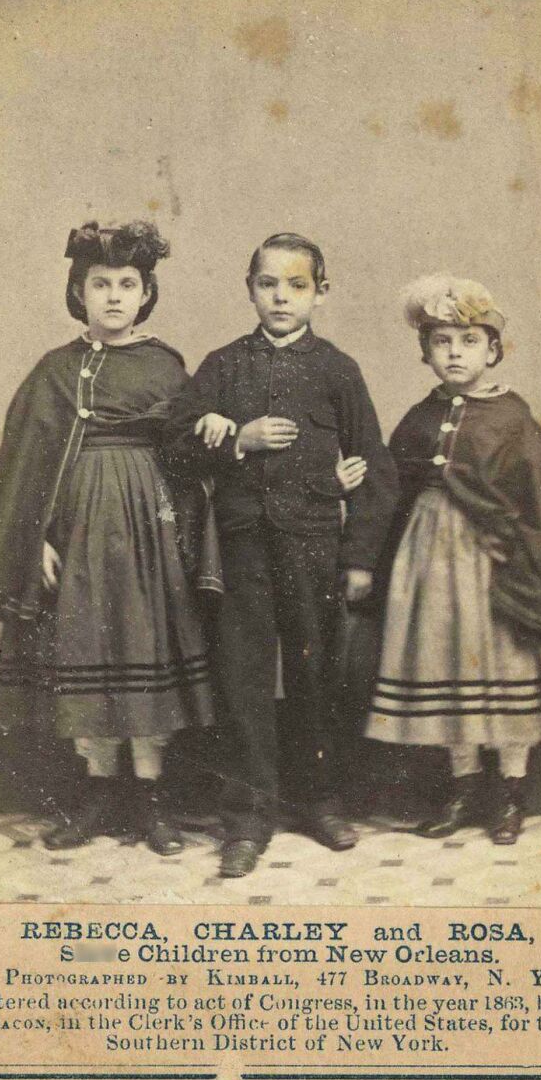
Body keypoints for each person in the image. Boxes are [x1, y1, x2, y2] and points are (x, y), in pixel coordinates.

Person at [0, 220, 228, 855]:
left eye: (127, 284)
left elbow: (186, 453)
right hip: (77, 533)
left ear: (146, 293)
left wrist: (212, 429)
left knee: (143, 649)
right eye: (100, 283)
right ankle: (95, 797)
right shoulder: (54, 371)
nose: (114, 296)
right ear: (78, 292)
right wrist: (34, 540)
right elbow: (25, 465)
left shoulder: (166, 367)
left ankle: (150, 802)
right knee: (86, 650)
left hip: (147, 531)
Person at [165, 232, 398, 876]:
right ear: (250, 289)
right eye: (268, 284)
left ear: (320, 292)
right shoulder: (222, 365)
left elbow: (372, 466)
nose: (281, 297)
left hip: (315, 546)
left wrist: (358, 558)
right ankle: (245, 818)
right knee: (241, 680)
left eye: (297, 285)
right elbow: (173, 446)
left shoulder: (337, 370)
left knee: (315, 671)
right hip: (240, 549)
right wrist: (235, 437)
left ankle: (318, 800)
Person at [364, 273, 541, 844]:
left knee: (499, 669)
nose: (455, 353)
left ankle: (510, 794)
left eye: (469, 342)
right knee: (447, 668)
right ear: (426, 353)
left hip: (497, 567)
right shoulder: (418, 419)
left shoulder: (512, 419)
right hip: (429, 562)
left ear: (493, 350)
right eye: (442, 342)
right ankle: (463, 787)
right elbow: (390, 490)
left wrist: (522, 555)